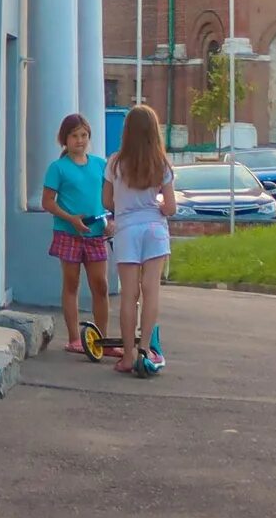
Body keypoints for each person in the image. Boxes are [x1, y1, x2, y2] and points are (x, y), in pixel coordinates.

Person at [108, 104, 177, 376]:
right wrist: (157, 206)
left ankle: (126, 356)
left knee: (129, 294)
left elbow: (106, 201)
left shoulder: (114, 163)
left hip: (126, 229)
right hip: (154, 229)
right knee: (151, 291)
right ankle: (145, 350)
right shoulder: (161, 164)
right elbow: (170, 207)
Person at [39, 113, 110, 355]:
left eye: (84, 135)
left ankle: (101, 339)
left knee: (100, 285)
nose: (79, 140)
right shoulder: (58, 168)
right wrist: (71, 219)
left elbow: (109, 198)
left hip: (96, 232)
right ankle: (73, 339)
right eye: (74, 135)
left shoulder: (100, 164)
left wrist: (110, 220)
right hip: (68, 233)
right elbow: (47, 202)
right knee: (72, 284)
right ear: (64, 139)